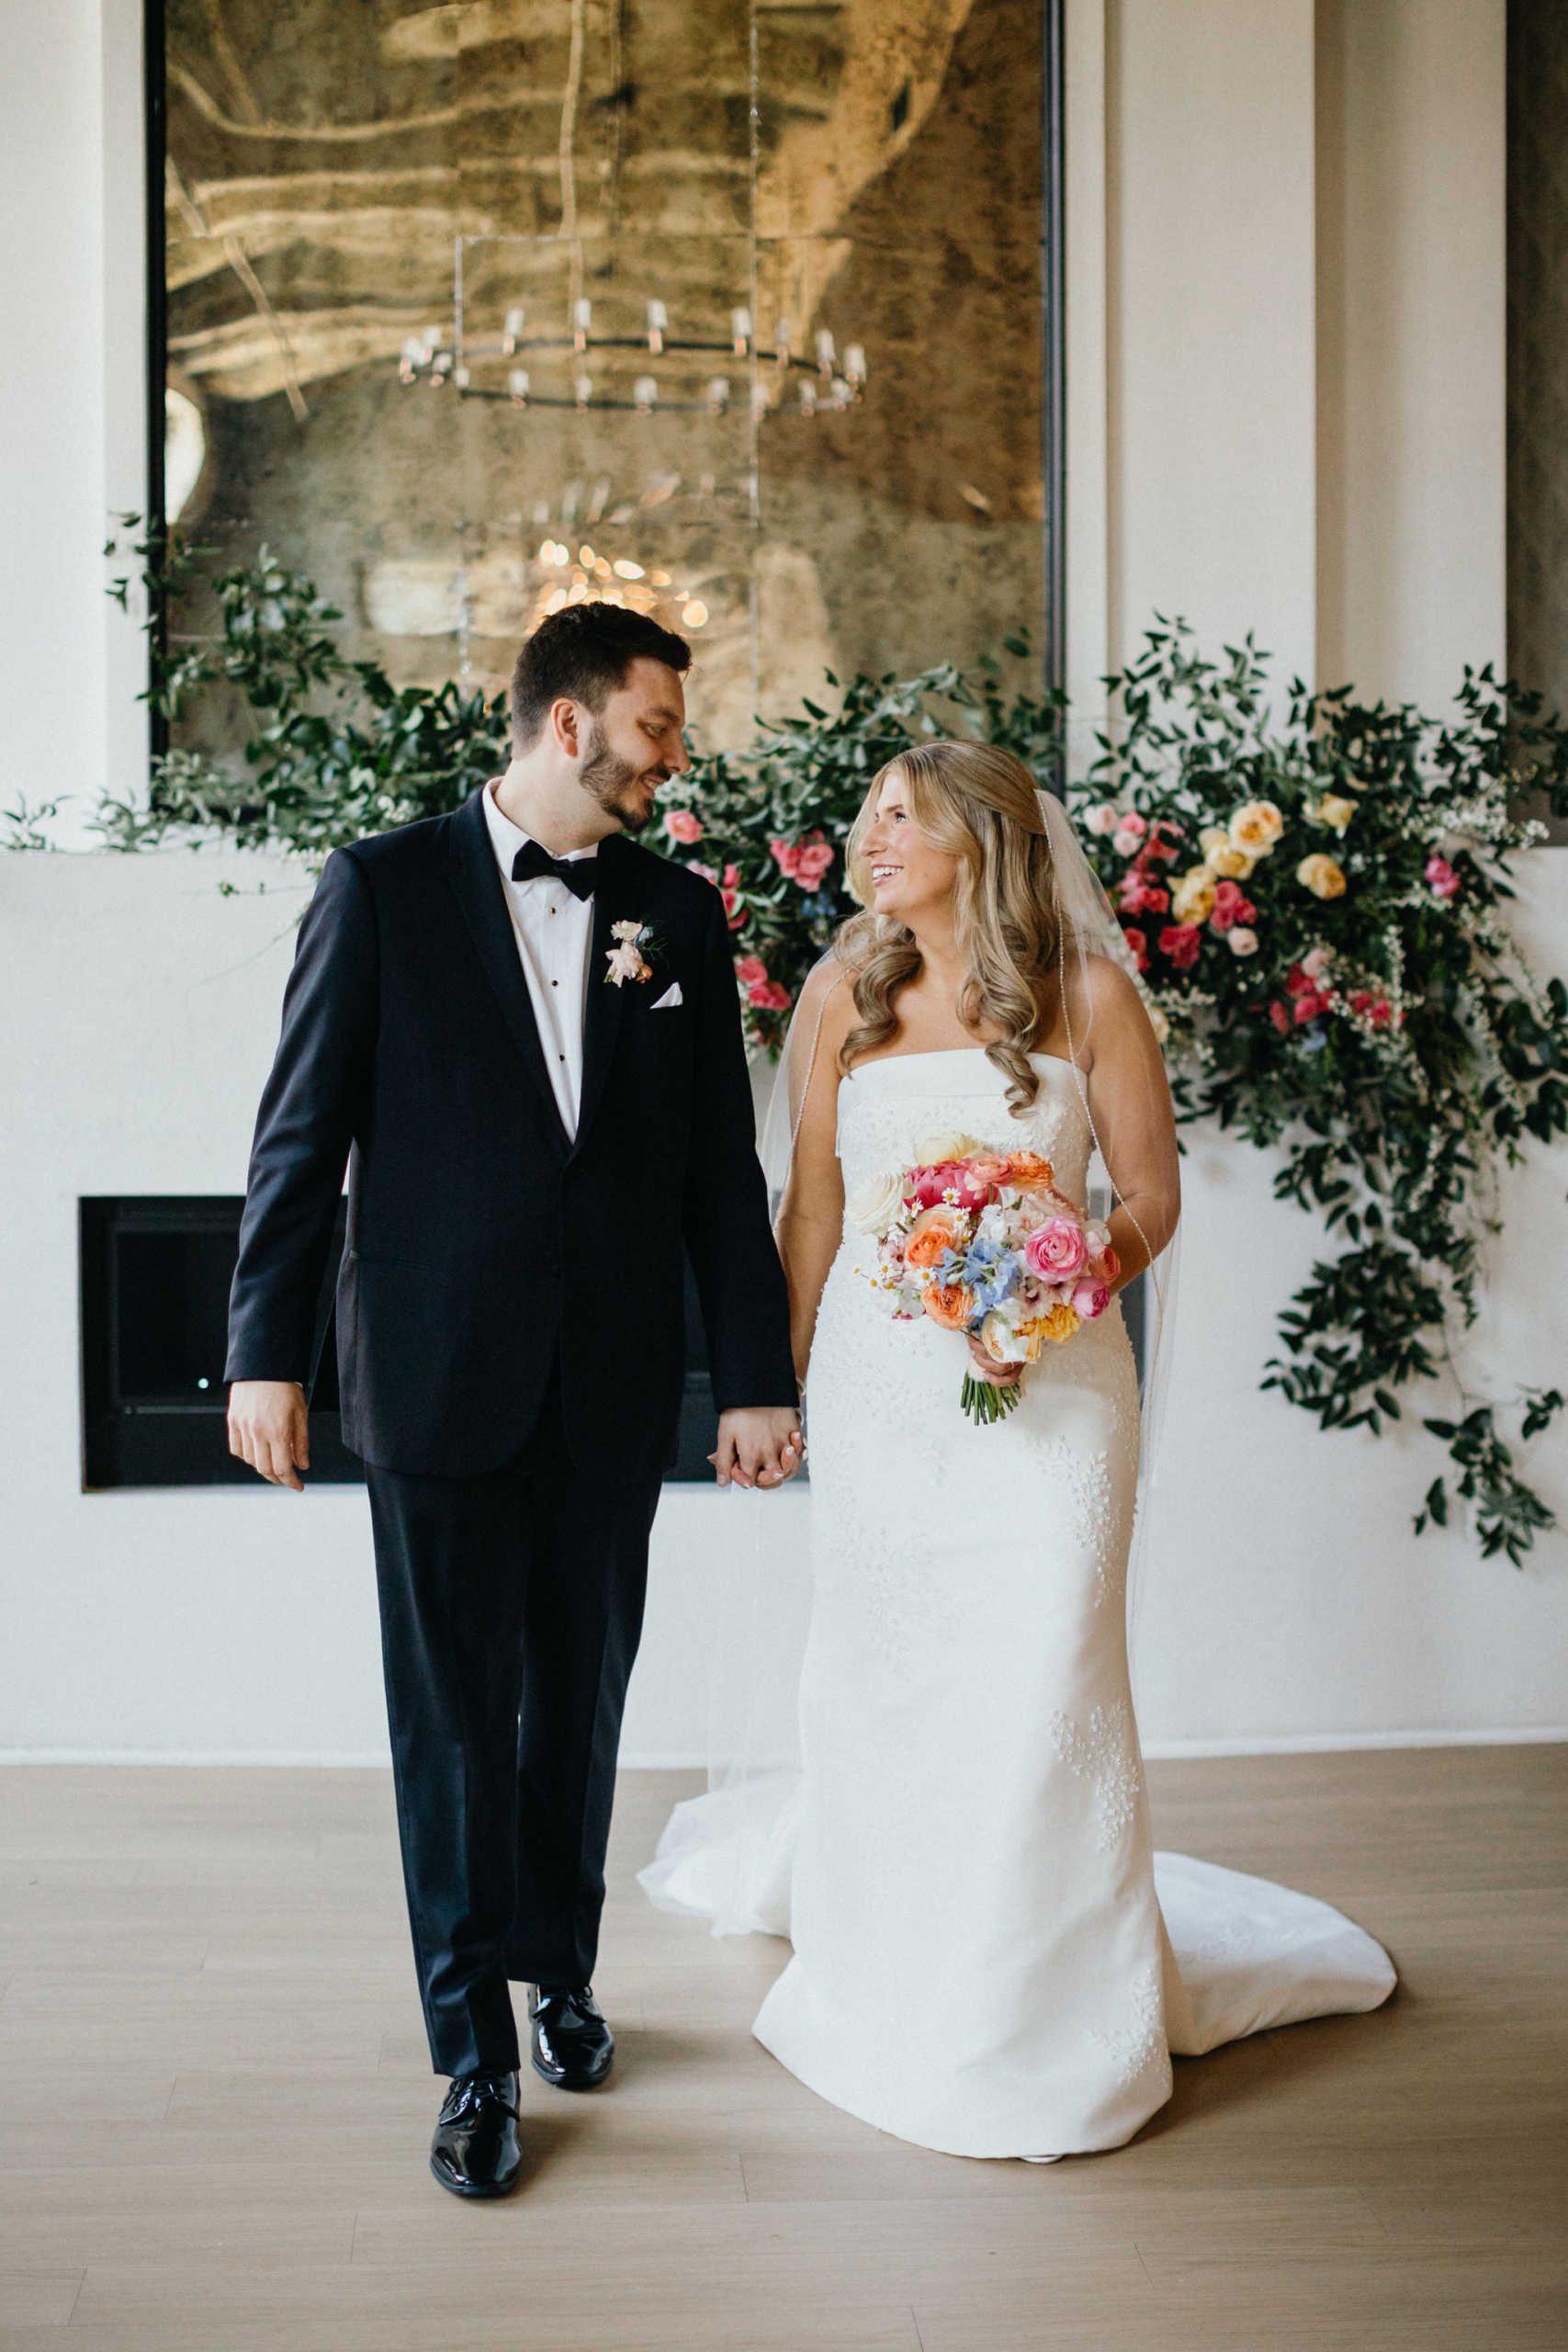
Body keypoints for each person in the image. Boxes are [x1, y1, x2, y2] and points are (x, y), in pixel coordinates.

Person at [642, 740, 1393, 2161]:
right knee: (892, 1674)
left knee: (1046, 1668)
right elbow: (809, 1211)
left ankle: (1052, 2005)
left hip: (1058, 1395)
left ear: (981, 843)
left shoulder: (1092, 994)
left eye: (900, 821)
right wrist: (777, 1383)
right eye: (866, 818)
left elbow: (1153, 1195)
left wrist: (1057, 1278)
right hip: (882, 1402)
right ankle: (904, 1967)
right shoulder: (838, 997)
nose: (870, 842)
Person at [225, 604, 803, 2199]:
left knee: (582, 1702)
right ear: (570, 723)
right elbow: (300, 1138)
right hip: (427, 1374)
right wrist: (264, 1354)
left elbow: (713, 1174)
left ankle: (563, 1970)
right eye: (658, 727)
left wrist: (750, 1377)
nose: (675, 756)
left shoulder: (679, 914)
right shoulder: (382, 888)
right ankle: (471, 2047)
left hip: (611, 1387)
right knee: (454, 1724)